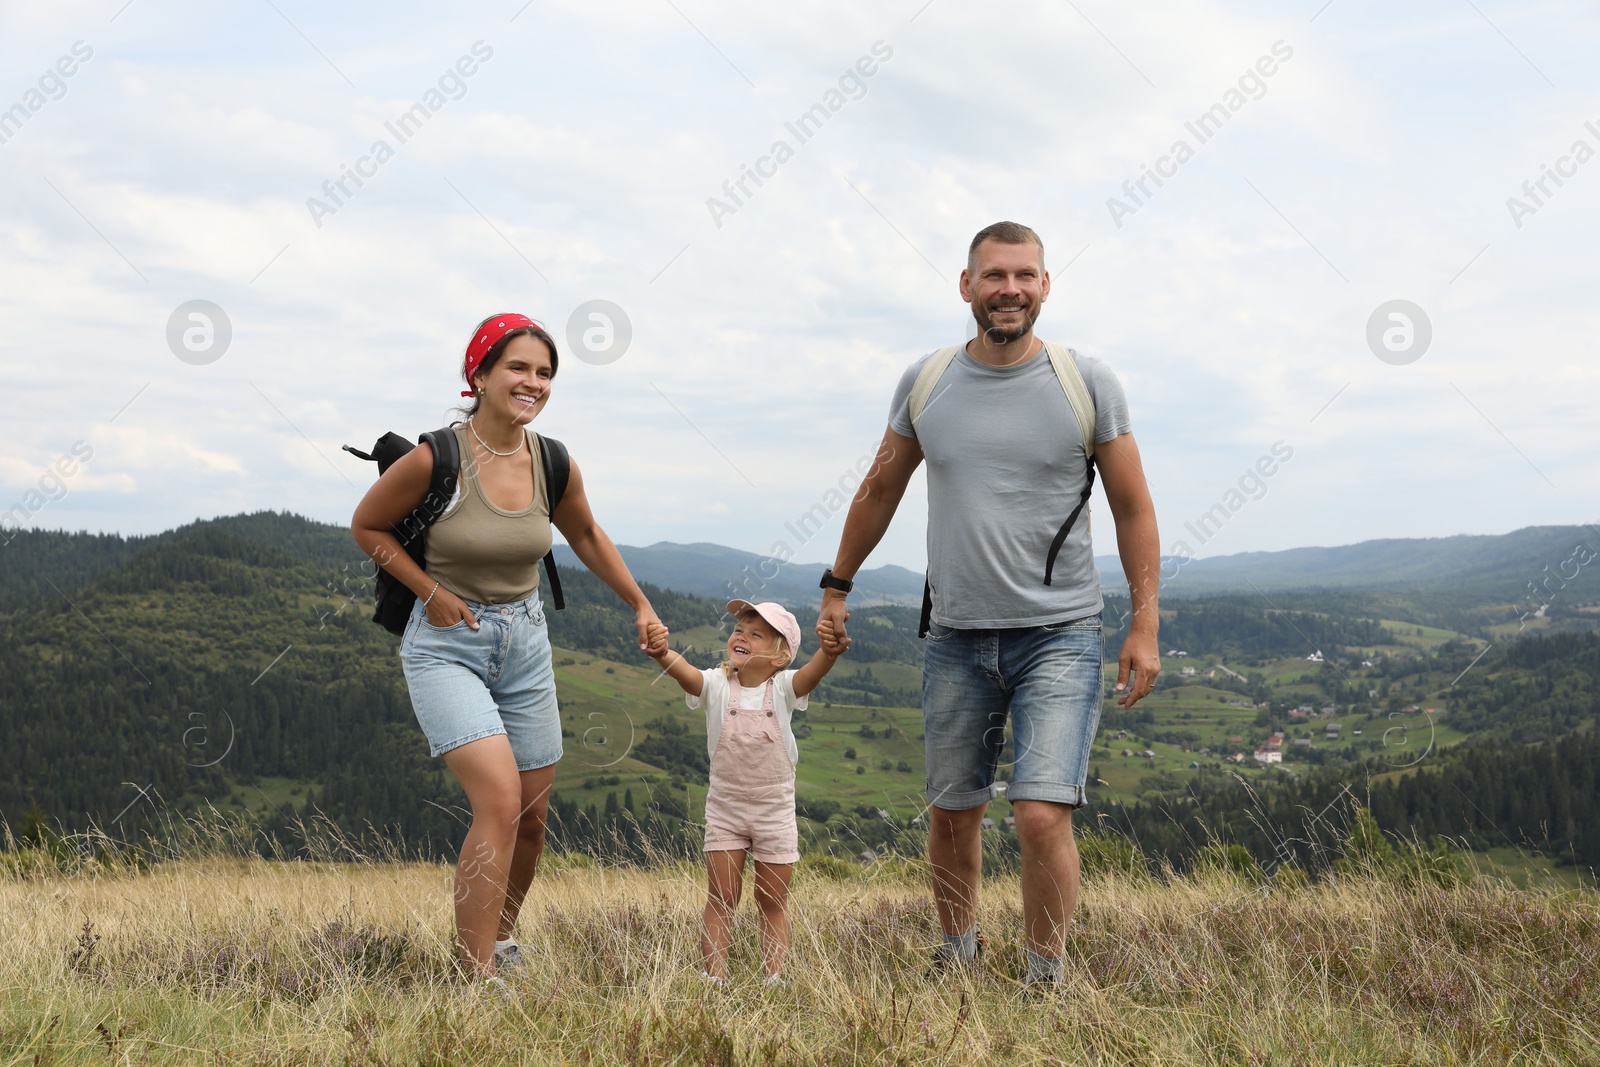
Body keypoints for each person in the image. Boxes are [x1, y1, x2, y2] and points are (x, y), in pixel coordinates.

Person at [816, 222, 1161, 987]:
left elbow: (1133, 507)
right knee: (951, 812)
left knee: (1040, 813)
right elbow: (880, 487)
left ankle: (1044, 975)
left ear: (1045, 286)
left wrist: (1144, 622)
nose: (1010, 288)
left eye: (1026, 275)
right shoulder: (926, 379)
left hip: (1061, 634)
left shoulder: (1087, 381)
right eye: (995, 275)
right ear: (966, 285)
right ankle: (959, 953)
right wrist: (837, 584)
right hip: (955, 634)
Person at [351, 313, 668, 994]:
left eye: (545, 372)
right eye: (518, 368)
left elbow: (585, 533)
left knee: (531, 819)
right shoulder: (437, 458)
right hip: (446, 643)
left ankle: (501, 934)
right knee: (497, 800)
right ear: (481, 375)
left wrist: (639, 603)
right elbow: (367, 525)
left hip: (525, 642)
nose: (533, 382)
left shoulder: (552, 461)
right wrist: (428, 589)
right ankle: (477, 976)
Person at [647, 600, 841, 985]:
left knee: (772, 900)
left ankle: (774, 978)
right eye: (739, 630)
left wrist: (829, 652)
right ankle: (714, 978)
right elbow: (687, 676)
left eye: (757, 634)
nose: (742, 636)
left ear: (779, 656)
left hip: (775, 810)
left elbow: (813, 674)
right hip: (725, 808)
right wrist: (663, 653)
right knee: (721, 897)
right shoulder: (716, 684)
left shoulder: (784, 687)